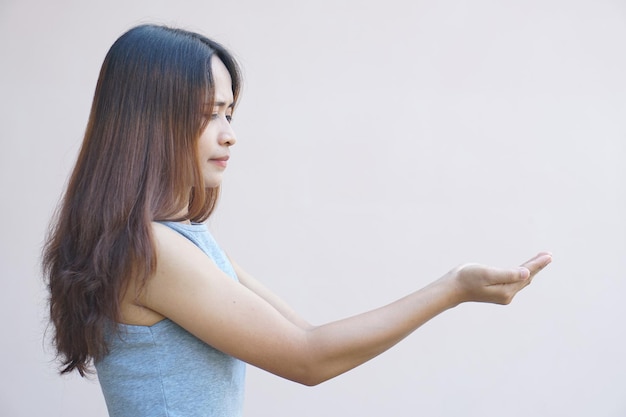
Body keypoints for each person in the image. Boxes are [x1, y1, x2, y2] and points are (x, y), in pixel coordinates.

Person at [42, 24, 552, 417]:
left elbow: (304, 333)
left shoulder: (177, 242)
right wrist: (453, 288)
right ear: (148, 122)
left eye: (230, 113)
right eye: (208, 113)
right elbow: (308, 359)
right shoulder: (151, 253)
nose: (229, 134)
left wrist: (454, 288)